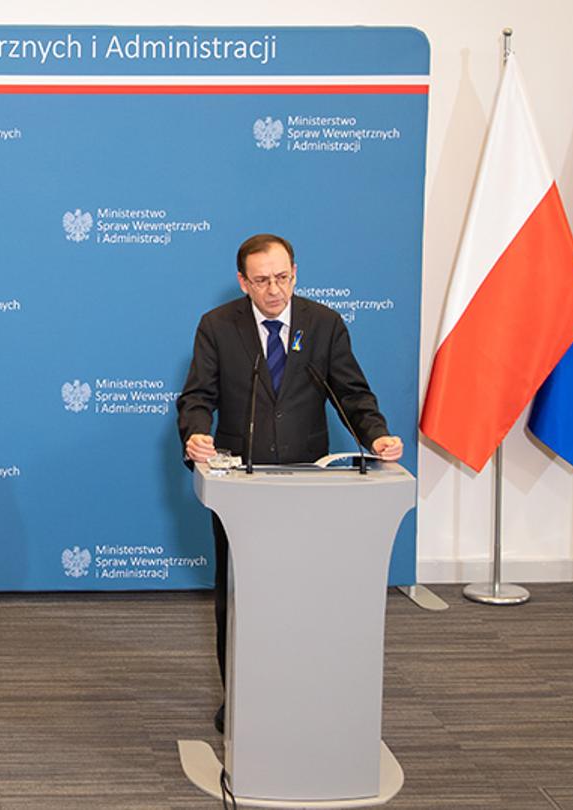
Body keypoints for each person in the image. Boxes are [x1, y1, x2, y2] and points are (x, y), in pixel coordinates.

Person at [175, 232, 403, 733]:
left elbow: (352, 393)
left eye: (282, 278)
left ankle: (304, 692)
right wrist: (195, 435)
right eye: (261, 281)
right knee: (238, 596)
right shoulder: (217, 327)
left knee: (304, 593)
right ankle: (239, 697)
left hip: (308, 484)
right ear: (243, 282)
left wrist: (378, 435)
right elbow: (197, 395)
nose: (274, 290)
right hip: (243, 487)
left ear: (295, 273)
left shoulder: (324, 325)